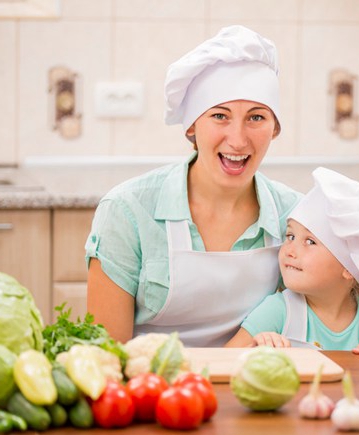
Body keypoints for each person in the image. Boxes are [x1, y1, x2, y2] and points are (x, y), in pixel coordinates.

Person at [85, 25, 301, 346]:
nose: (238, 139)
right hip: (153, 389)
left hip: (251, 390)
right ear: (191, 127)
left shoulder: (295, 216)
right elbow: (107, 354)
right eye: (219, 116)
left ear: (275, 128)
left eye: (256, 118)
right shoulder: (128, 210)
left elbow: (320, 323)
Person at [226, 167, 359, 354]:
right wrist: (254, 348)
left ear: (348, 268)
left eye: (310, 242)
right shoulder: (277, 312)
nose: (290, 250)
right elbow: (220, 360)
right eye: (290, 236)